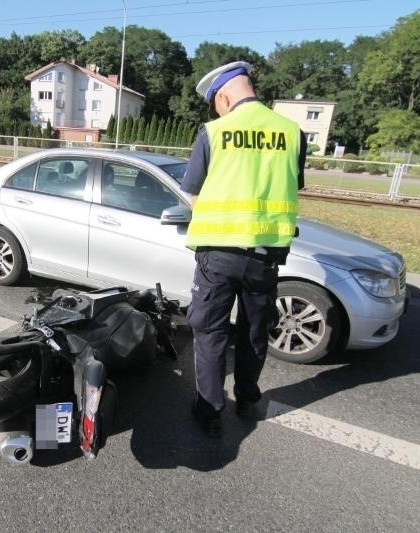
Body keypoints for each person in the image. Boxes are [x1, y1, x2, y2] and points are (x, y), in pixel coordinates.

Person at [180, 61, 306, 437]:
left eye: (214, 103)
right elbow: (291, 186)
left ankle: (211, 410)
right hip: (266, 257)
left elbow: (192, 190)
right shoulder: (292, 132)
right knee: (253, 332)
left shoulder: (215, 132)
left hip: (218, 255)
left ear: (223, 95)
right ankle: (248, 399)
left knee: (210, 332)